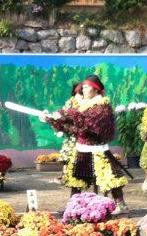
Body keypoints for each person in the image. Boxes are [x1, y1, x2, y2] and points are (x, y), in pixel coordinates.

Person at [42, 75, 129, 212]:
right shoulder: (80, 106)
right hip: (82, 148)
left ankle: (121, 205)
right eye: (83, 87)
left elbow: (84, 120)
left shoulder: (102, 107)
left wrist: (61, 114)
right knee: (76, 180)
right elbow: (72, 128)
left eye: (87, 87)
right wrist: (52, 120)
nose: (83, 89)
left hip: (98, 150)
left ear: (96, 90)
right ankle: (73, 205)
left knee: (110, 178)